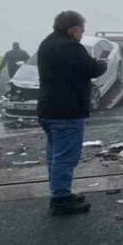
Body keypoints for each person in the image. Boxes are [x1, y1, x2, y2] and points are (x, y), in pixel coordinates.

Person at [37, 11, 107, 215]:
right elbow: (92, 69)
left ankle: (61, 192)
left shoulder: (48, 43)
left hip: (49, 109)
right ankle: (60, 199)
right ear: (72, 29)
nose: (83, 33)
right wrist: (102, 62)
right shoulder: (69, 47)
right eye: (81, 29)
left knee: (55, 156)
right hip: (66, 112)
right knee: (65, 157)